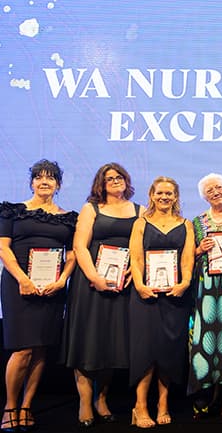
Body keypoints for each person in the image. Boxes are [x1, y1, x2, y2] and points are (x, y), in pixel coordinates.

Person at [0, 160, 78, 433]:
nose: (44, 182)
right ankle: (10, 407)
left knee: (41, 348)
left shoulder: (69, 217)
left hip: (53, 287)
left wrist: (61, 280)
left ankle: (27, 406)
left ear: (58, 184)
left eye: (50, 178)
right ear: (31, 182)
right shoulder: (12, 211)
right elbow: (3, 248)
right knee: (22, 350)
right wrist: (23, 279)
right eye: (39, 178)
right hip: (18, 284)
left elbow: (73, 254)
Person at [62, 163, 140, 428]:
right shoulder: (91, 209)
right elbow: (79, 246)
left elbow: (140, 248)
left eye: (119, 177)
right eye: (109, 178)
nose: (115, 181)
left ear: (126, 180)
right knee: (87, 341)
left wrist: (133, 269)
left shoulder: (139, 210)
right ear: (101, 184)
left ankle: (101, 399)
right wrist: (94, 277)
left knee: (112, 344)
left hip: (121, 285)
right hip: (90, 284)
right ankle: (84, 402)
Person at [128, 176, 194, 428]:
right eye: (160, 193)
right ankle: (140, 406)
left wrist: (185, 282)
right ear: (152, 195)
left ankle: (163, 404)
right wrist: (139, 285)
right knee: (145, 351)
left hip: (176, 296)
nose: (165, 197)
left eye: (169, 193)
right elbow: (136, 259)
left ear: (176, 196)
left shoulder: (185, 224)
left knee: (169, 350)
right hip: (146, 295)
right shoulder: (141, 223)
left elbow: (188, 259)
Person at [188, 173, 222, 418]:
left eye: (218, 187)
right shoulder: (198, 222)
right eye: (209, 190)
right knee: (205, 341)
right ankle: (205, 396)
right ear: (204, 195)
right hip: (207, 289)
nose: (215, 192)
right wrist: (200, 249)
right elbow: (189, 256)